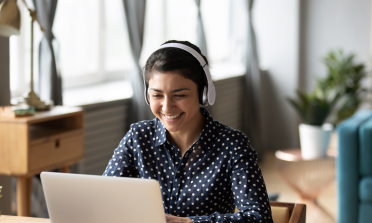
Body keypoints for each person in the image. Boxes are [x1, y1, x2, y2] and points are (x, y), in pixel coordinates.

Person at [103, 40, 273, 223]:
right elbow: (103, 199)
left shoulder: (233, 145)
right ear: (147, 95)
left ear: (204, 93)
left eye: (180, 95)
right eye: (157, 95)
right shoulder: (138, 137)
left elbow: (259, 218)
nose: (167, 107)